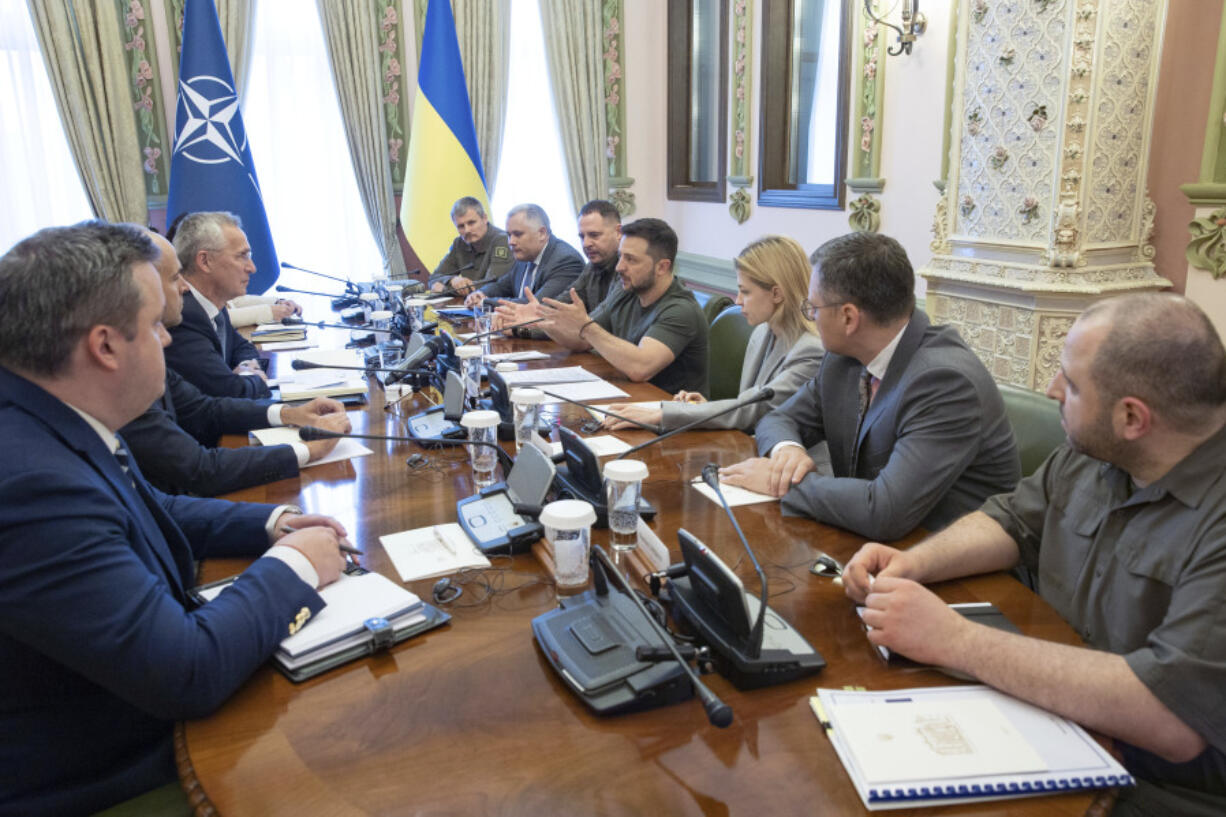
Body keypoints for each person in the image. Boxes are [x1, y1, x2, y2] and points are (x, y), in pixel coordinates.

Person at [0, 221, 351, 816]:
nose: (169, 340)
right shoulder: (31, 485)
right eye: (158, 326)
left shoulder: (44, 417)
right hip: (108, 776)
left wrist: (273, 527)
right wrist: (296, 566)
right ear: (105, 346)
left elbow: (149, 506)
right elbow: (185, 671)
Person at [843, 293, 1226, 816]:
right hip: (1063, 720)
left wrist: (952, 639)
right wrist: (914, 562)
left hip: (1158, 784)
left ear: (1132, 417)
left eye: (1069, 384)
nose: (1050, 391)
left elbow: (1170, 718)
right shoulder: (1101, 451)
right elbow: (1012, 519)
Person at [720, 231, 1018, 541]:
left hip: (959, 568)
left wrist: (779, 483)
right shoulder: (842, 360)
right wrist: (787, 452)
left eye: (814, 308)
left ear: (848, 317)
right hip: (873, 545)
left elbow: (885, 510)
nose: (811, 317)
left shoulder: (945, 383)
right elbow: (779, 418)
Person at [121, 230, 352, 496]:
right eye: (175, 278)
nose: (185, 287)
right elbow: (200, 469)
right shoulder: (128, 374)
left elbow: (205, 409)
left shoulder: (162, 338)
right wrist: (309, 449)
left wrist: (290, 413)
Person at [600, 235, 824, 432]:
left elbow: (754, 409)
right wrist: (704, 407)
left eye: (745, 292)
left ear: (776, 293)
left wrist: (664, 414)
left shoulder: (810, 350)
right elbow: (746, 408)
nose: (737, 300)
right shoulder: (762, 332)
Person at [530, 217, 710, 396]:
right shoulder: (626, 290)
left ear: (662, 267)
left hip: (671, 413)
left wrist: (585, 326)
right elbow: (582, 341)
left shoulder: (681, 310)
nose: (619, 267)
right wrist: (543, 320)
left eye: (630, 259)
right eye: (620, 256)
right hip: (629, 398)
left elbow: (640, 368)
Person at [165, 211, 272, 399]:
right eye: (242, 256)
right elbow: (230, 390)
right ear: (205, 261)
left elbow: (241, 346)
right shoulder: (182, 315)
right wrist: (254, 379)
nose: (252, 267)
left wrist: (247, 367)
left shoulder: (213, 302)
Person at [495, 199, 623, 339]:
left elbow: (591, 327)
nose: (586, 244)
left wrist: (523, 328)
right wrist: (535, 316)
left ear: (618, 232)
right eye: (582, 236)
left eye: (594, 235)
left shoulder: (626, 270)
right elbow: (559, 307)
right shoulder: (591, 268)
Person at [463, 203, 583, 310]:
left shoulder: (566, 261)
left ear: (541, 233)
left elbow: (535, 305)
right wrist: (480, 293)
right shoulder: (524, 256)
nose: (511, 242)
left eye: (518, 234)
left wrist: (485, 302)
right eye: (509, 235)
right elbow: (502, 285)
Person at [427, 196, 515, 295]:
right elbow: (433, 278)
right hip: (469, 306)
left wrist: (444, 289)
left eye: (471, 223)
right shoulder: (459, 244)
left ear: (485, 218)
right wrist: (452, 280)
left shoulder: (503, 240)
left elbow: (491, 286)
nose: (467, 230)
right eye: (461, 226)